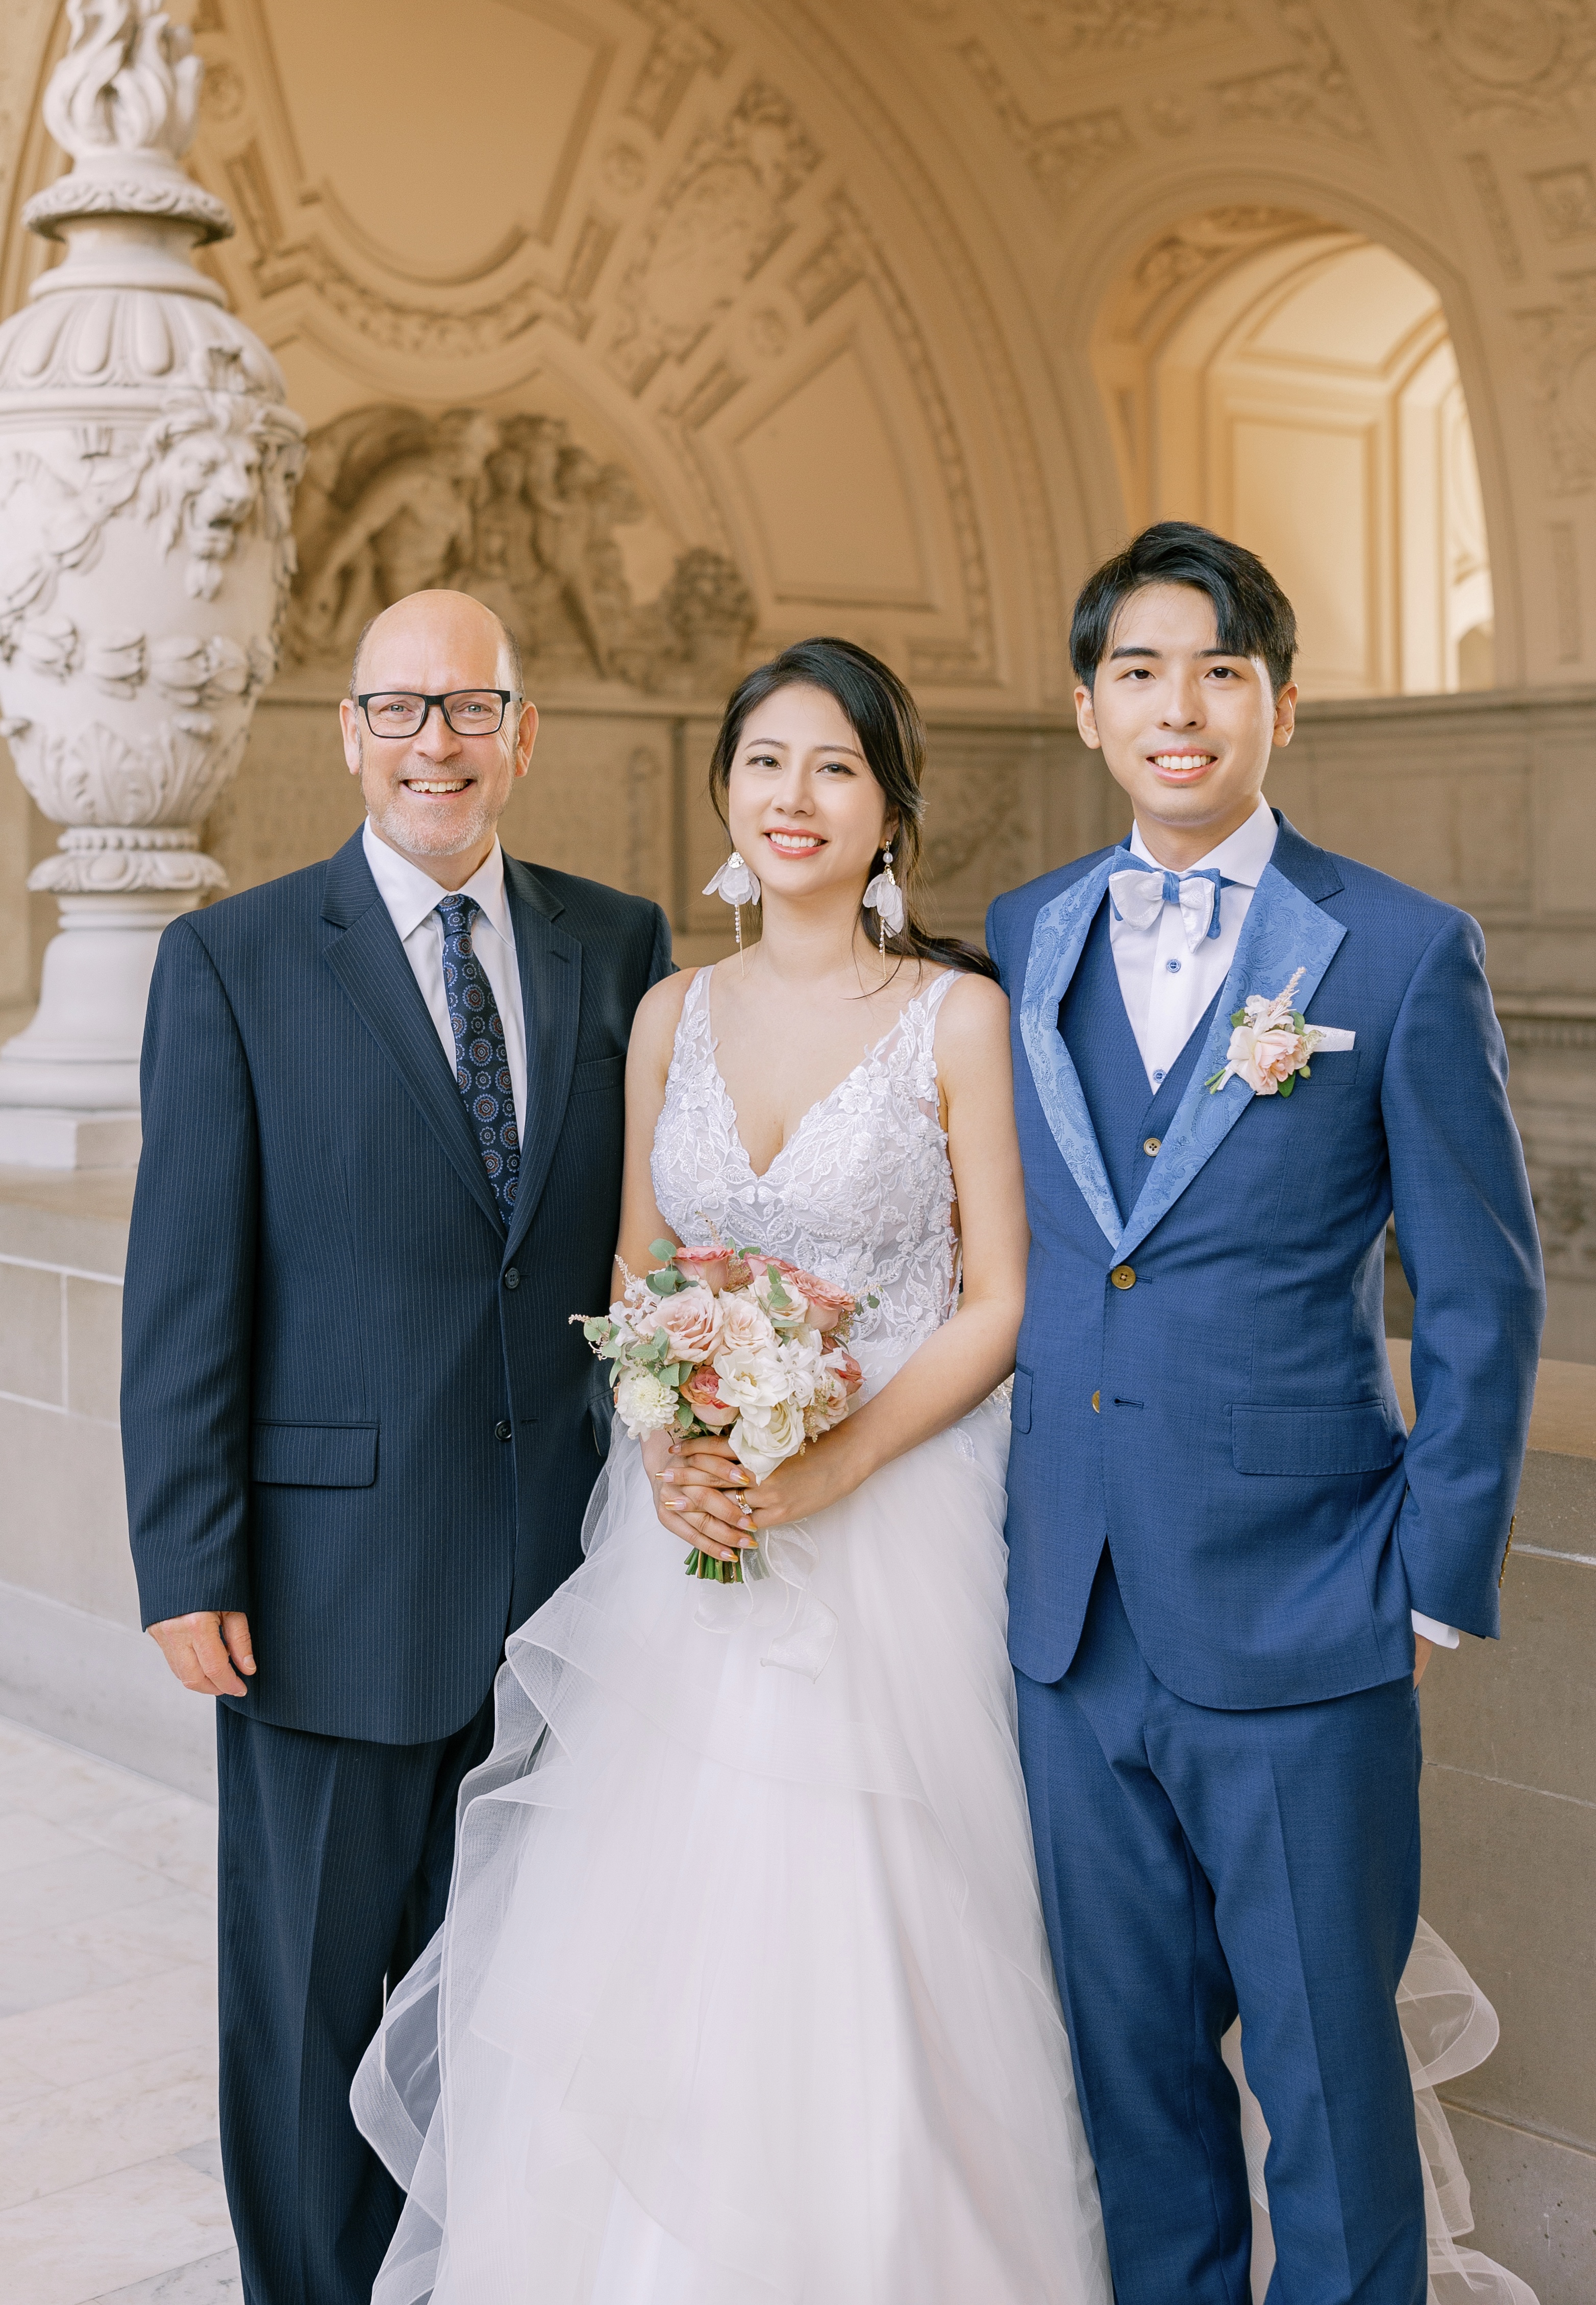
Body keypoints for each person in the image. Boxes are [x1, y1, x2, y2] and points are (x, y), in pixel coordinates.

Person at [351, 637, 1114, 2304]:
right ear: (725, 793)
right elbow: (636, 1270)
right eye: (766, 762)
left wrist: (828, 1465)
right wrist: (672, 1438)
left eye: (835, 766)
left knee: (879, 1929)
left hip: (899, 1531)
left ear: (891, 809)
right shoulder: (668, 1015)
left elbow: (1004, 1301)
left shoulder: (955, 1018)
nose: (796, 797)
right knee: (657, 1939)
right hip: (683, 1537)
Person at [986, 523, 1545, 2305]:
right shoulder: (1023, 938)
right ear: (1086, 709)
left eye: (1220, 671)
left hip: (1310, 1605)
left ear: (1279, 706)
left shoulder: (1396, 953)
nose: (1180, 708)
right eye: (1141, 672)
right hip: (1074, 1612)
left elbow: (1481, 1291)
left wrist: (1435, 1578)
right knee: (1135, 2093)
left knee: (1327, 2089)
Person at [121, 589, 671, 2305]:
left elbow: (645, 1245)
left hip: (563, 1587)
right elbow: (188, 1283)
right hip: (321, 1587)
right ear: (349, 736)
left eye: (472, 707)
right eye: (402, 709)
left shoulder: (620, 944)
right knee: (304, 2010)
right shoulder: (232, 959)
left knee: (509, 1991)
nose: (438, 741)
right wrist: (188, 1556)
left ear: (524, 735)